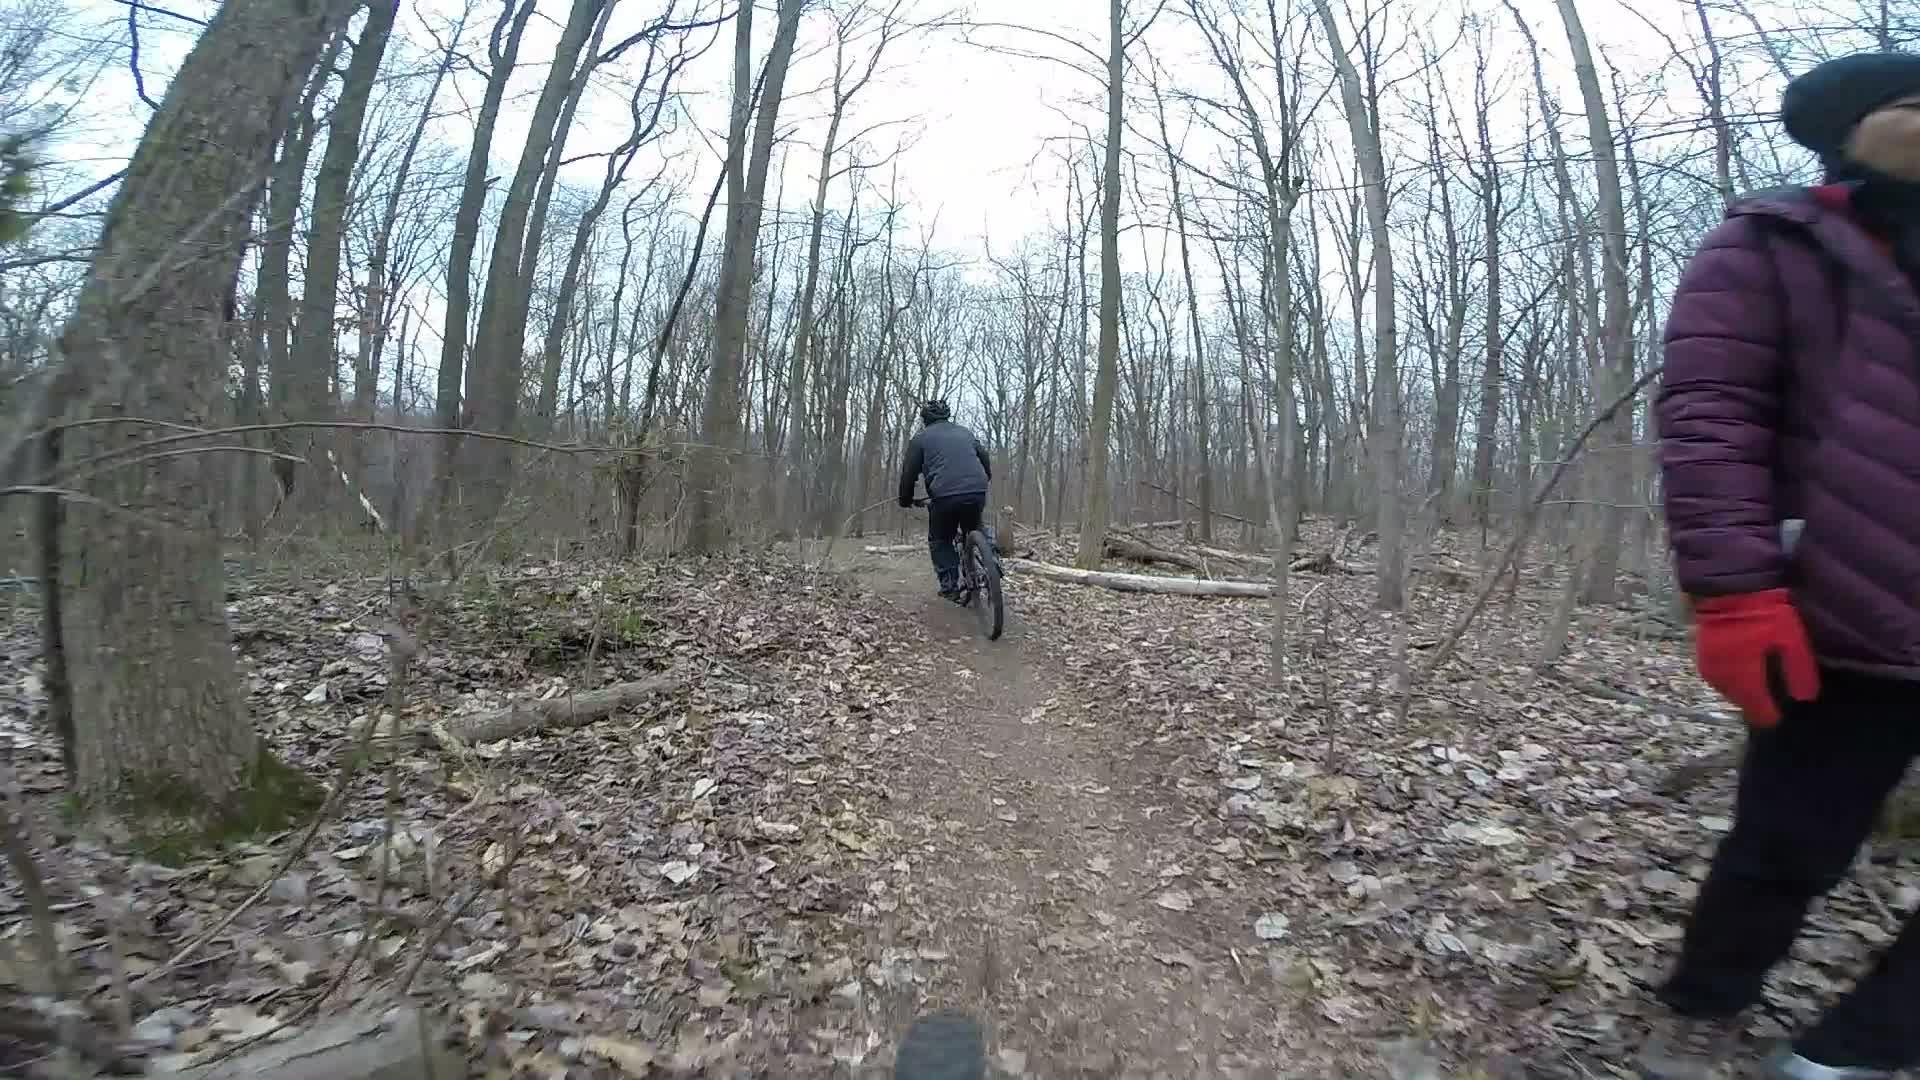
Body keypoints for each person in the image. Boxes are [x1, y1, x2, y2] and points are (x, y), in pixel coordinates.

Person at [1651, 52, 1920, 1080]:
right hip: (1844, 616)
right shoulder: (1771, 244)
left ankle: (1860, 1050)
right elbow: (1710, 417)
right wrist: (1733, 590)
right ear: (1851, 130)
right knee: (1785, 845)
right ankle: (1703, 998)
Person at [897, 399, 992, 599]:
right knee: (976, 527)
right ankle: (993, 560)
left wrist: (905, 499)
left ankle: (950, 587)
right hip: (977, 489)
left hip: (944, 496)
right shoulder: (965, 432)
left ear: (924, 420)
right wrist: (985, 478)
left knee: (940, 539)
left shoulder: (920, 439)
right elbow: (983, 456)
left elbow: (908, 474)